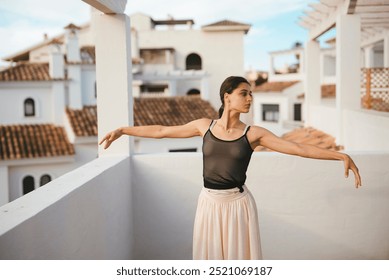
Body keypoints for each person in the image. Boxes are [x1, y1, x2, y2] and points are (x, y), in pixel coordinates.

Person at [99, 76, 362, 260]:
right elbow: (161, 131)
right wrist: (123, 130)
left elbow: (297, 148)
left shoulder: (253, 133)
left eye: (251, 94)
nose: (250, 99)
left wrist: (338, 156)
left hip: (238, 205)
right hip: (209, 203)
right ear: (227, 96)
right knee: (210, 261)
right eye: (244, 93)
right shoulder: (205, 126)